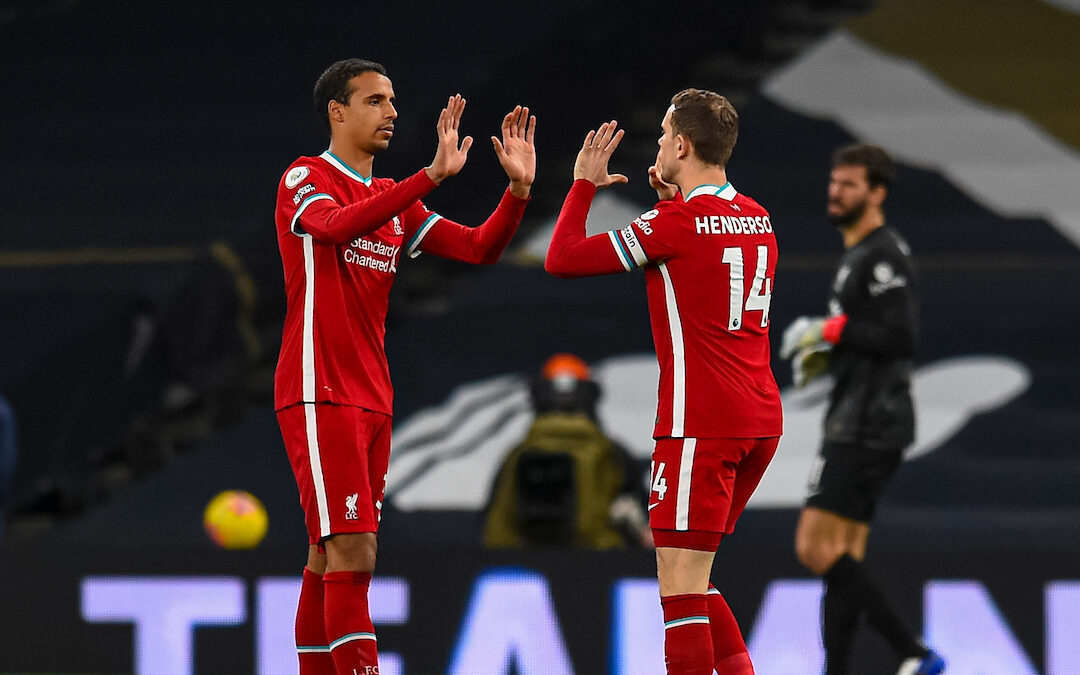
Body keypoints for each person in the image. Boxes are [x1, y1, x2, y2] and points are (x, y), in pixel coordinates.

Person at [273, 58, 535, 675]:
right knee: (354, 551)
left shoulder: (393, 202)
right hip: (320, 387)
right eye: (374, 101)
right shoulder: (304, 177)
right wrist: (428, 177)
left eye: (392, 100)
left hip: (372, 395)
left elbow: (479, 247)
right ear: (336, 111)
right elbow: (335, 227)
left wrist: (518, 192)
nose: (392, 111)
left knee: (327, 556)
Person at [546, 89, 783, 675]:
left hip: (699, 422)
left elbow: (563, 256)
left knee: (679, 588)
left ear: (681, 145)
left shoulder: (673, 223)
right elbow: (701, 255)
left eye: (661, 135)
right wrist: (665, 202)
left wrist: (582, 184)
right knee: (696, 579)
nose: (656, 145)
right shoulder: (758, 216)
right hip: (758, 420)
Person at [779, 144, 944, 675]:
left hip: (867, 422)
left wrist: (830, 330)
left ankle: (912, 652)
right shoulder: (859, 255)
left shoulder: (882, 255)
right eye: (834, 182)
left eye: (849, 184)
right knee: (841, 558)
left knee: (812, 546)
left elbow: (900, 336)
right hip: (866, 416)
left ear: (877, 193)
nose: (836, 191)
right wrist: (831, 353)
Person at [482, 353, 652, 549]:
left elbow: (493, 528)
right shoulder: (614, 455)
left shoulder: (515, 455)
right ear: (590, 397)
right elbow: (645, 526)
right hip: (597, 569)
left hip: (524, 573)